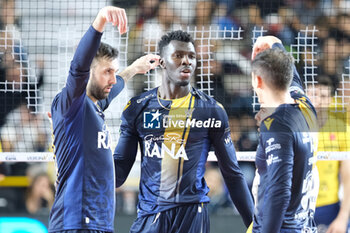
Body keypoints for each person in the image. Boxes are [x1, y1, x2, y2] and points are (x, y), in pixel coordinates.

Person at [113, 30, 254, 233]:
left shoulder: (210, 110)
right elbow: (119, 173)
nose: (186, 61)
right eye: (178, 56)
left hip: (192, 216)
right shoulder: (137, 107)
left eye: (191, 56)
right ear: (161, 62)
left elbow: (232, 174)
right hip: (150, 214)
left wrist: (253, 224)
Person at [49, 6, 160, 233]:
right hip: (76, 222)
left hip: (99, 222)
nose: (112, 78)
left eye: (114, 71)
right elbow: (78, 67)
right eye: (106, 71)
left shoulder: (95, 106)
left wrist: (132, 69)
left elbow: (115, 86)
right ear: (89, 73)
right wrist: (100, 21)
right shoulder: (71, 104)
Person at [248, 35, 319, 233]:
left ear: (258, 79)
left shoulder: (276, 125)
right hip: (303, 223)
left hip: (281, 227)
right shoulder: (304, 104)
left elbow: (279, 192)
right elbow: (272, 40)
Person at [306, 75, 350, 233]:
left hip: (329, 208)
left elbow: (348, 177)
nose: (317, 101)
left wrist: (343, 217)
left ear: (331, 100)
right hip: (297, 207)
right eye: (312, 95)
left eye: (323, 96)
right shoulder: (292, 127)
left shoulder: (342, 128)